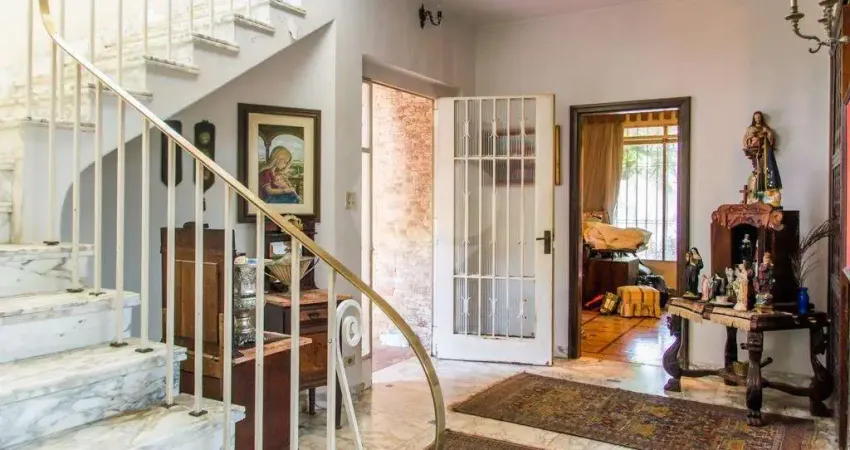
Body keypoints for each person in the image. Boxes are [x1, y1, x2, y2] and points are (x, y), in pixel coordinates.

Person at [742, 111, 782, 200]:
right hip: (755, 151)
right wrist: (752, 140)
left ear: (761, 118)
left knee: (766, 171)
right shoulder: (751, 128)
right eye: (756, 118)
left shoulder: (765, 128)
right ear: (754, 119)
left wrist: (767, 132)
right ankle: (758, 192)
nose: (757, 119)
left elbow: (770, 137)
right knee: (758, 172)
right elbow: (746, 139)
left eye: (759, 117)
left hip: (764, 152)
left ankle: (767, 191)